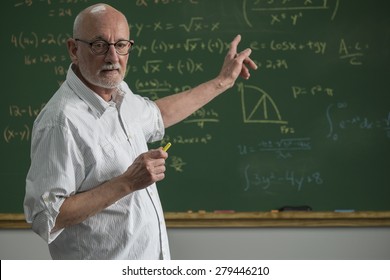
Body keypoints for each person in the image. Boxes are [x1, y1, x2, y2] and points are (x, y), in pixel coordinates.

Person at [23, 3, 257, 260]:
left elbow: (159, 115)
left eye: (121, 45)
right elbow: (46, 216)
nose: (113, 57)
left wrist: (222, 81)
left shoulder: (120, 95)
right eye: (99, 45)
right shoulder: (61, 121)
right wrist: (127, 182)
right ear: (73, 49)